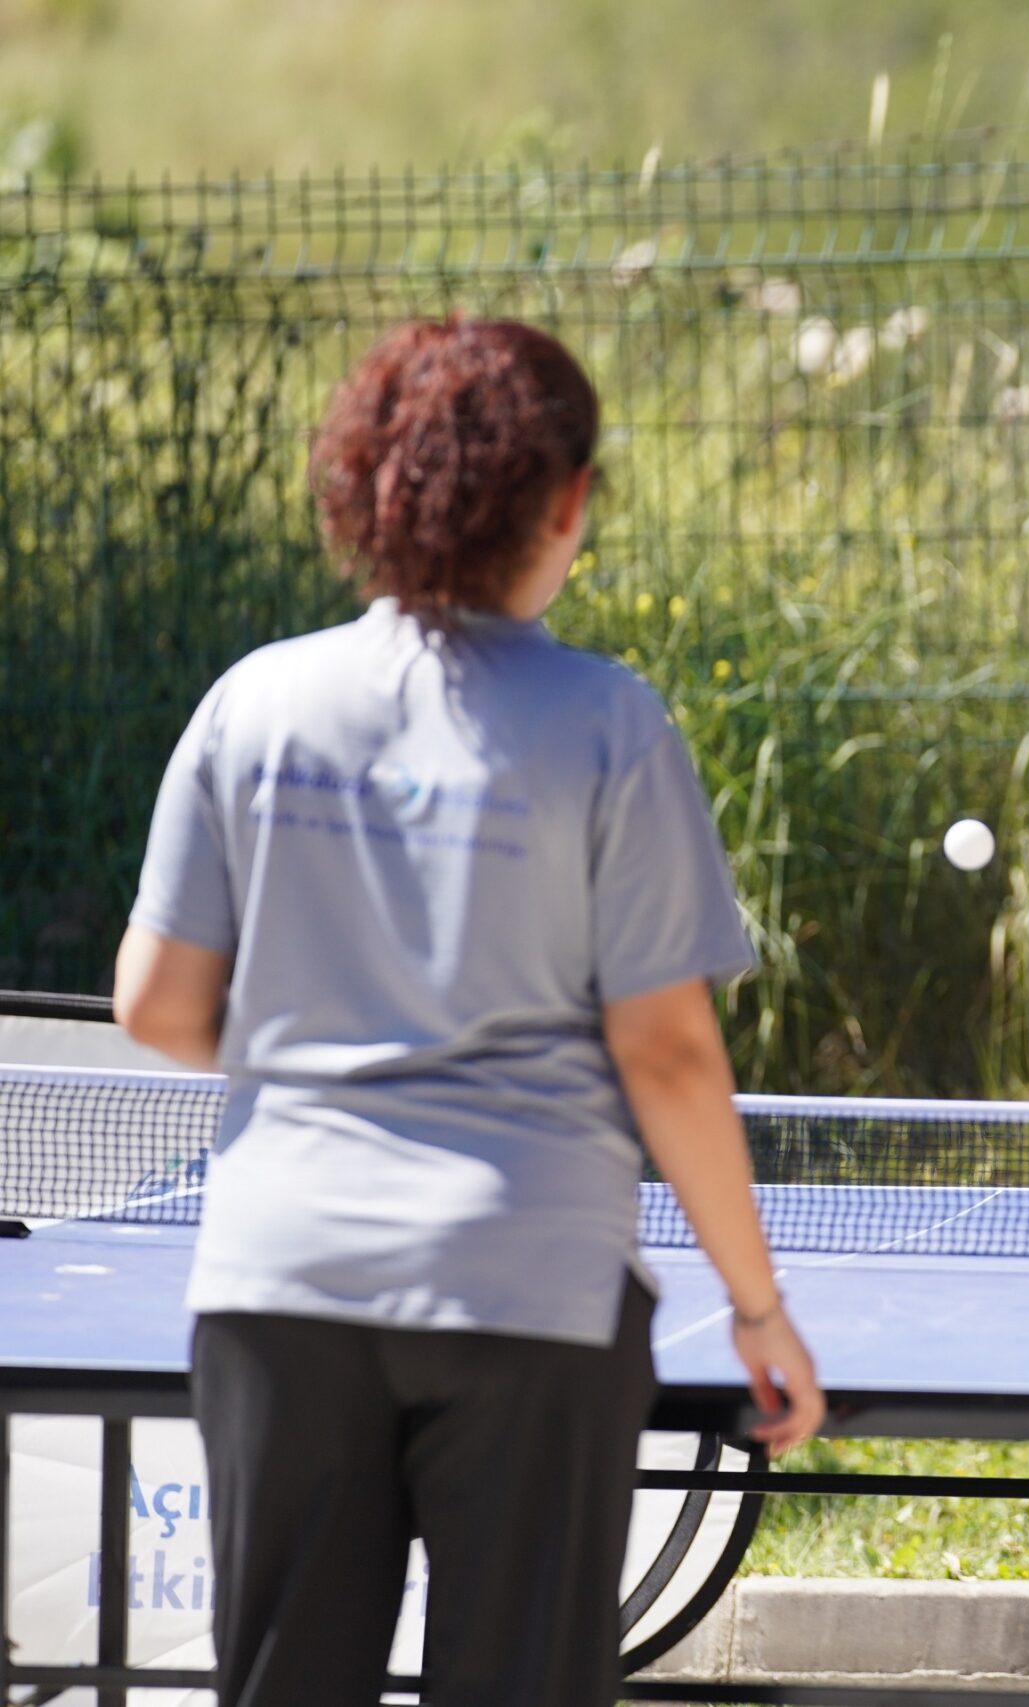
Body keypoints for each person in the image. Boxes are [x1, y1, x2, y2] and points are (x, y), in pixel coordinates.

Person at [111, 317, 826, 1707]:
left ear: (367, 488)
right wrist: (757, 1308)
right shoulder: (608, 722)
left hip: (281, 1284)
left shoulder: (251, 705)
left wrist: (324, 1047)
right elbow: (668, 1051)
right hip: (529, 1290)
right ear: (563, 504)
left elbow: (154, 1002)